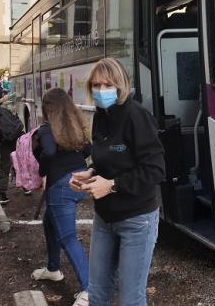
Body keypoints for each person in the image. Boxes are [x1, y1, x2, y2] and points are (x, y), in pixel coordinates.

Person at [70, 58, 165, 306]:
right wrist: (89, 173)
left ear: (121, 85)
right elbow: (108, 160)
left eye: (108, 85)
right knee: (98, 294)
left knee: (130, 300)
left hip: (137, 220)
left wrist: (112, 185)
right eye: (96, 85)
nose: (102, 91)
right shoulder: (100, 116)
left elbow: (155, 170)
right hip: (104, 218)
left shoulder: (137, 116)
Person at [31, 89, 90, 306]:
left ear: (48, 109)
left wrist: (42, 171)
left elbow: (49, 153)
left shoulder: (47, 130)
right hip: (80, 182)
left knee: (67, 237)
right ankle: (53, 269)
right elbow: (87, 150)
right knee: (49, 222)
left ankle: (89, 289)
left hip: (61, 186)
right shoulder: (75, 127)